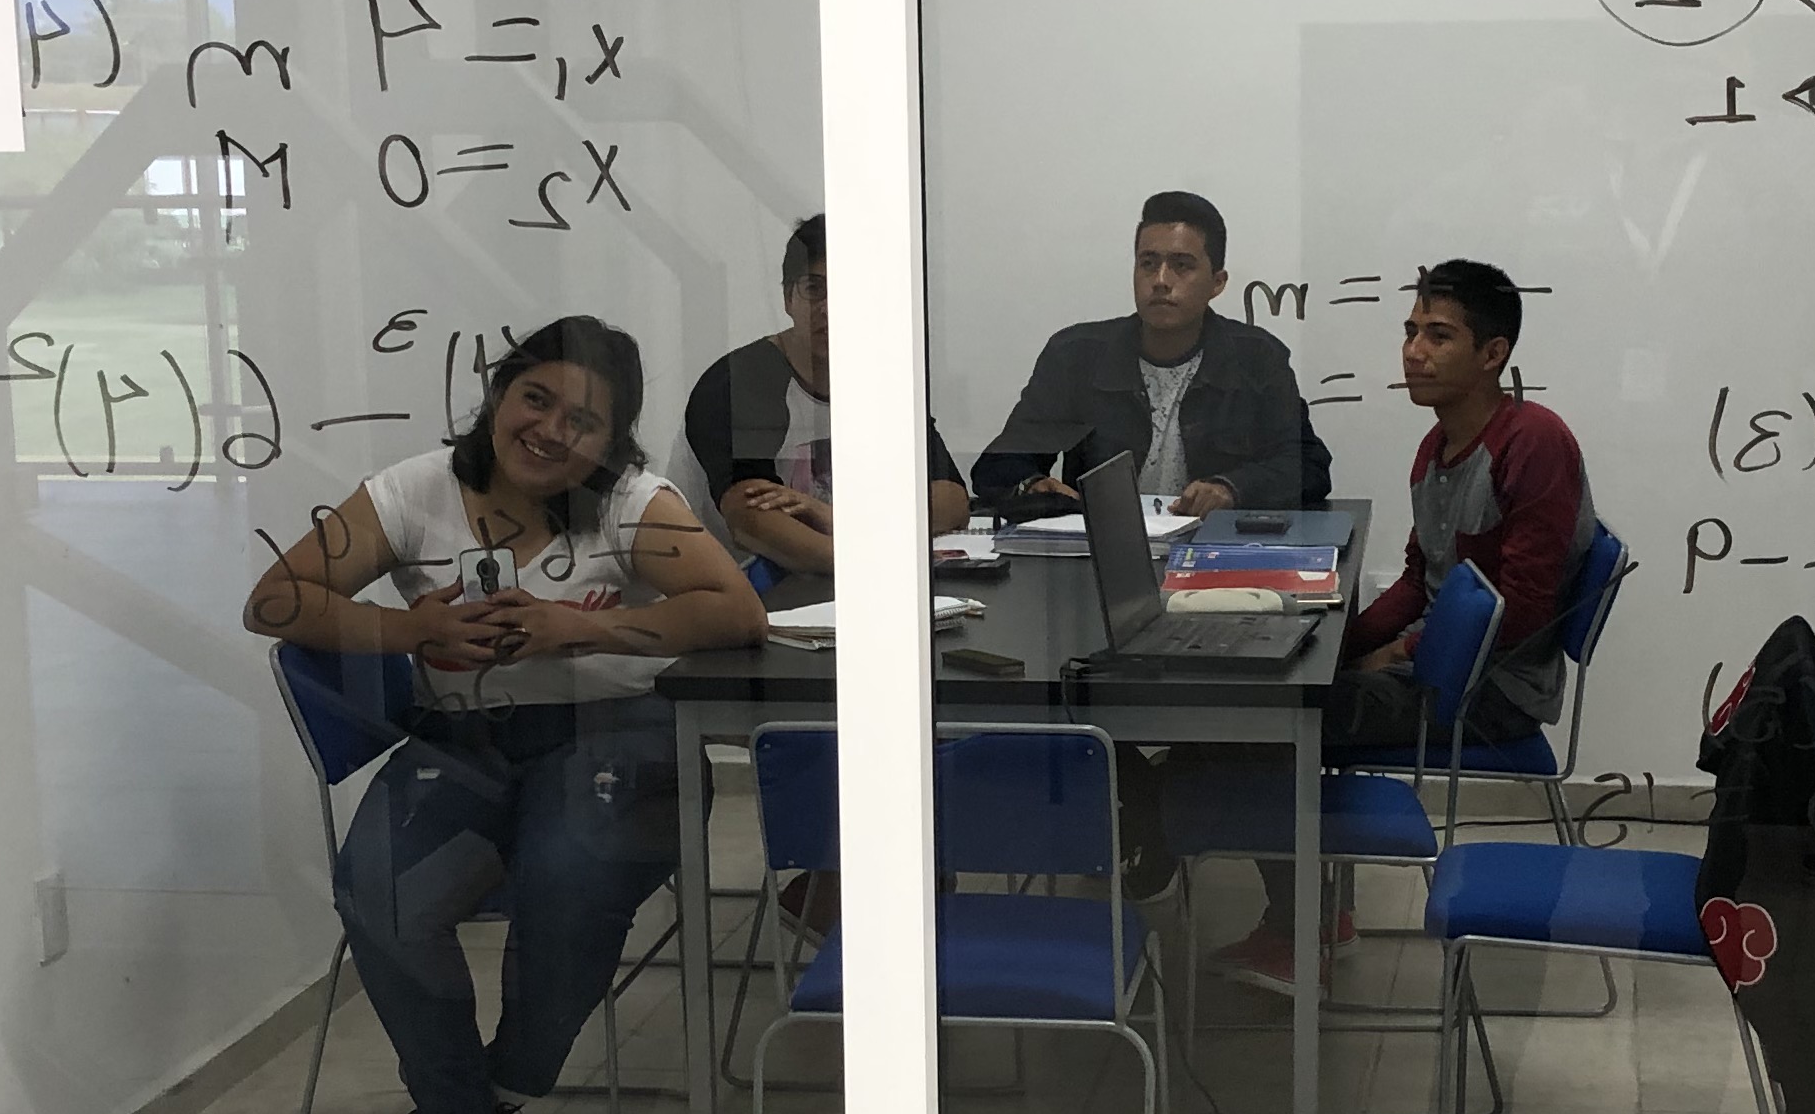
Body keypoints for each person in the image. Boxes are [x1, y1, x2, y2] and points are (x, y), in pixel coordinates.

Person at [245, 317, 767, 1114]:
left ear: (613, 441)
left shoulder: (631, 503)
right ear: (497, 397)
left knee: (568, 873)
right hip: (465, 743)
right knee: (381, 893)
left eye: (583, 422)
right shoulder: (414, 490)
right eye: (536, 399)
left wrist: (583, 628)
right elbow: (275, 600)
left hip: (615, 734)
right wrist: (409, 628)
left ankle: (500, 1090)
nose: (551, 431)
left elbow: (735, 612)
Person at [1215, 256, 1600, 993]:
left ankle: (1301, 932)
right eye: (1411, 330)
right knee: (1285, 684)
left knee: (1271, 718)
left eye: (1439, 336)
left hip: (1489, 693)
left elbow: (1522, 612)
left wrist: (1399, 651)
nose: (1414, 351)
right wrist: (1334, 641)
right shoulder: (1437, 446)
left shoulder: (1533, 442)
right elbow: (1421, 580)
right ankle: (1318, 916)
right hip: (1438, 668)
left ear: (1493, 354)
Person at [967, 189, 1328, 516]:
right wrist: (1031, 484)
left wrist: (1231, 489)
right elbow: (996, 467)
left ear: (1217, 283)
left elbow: (1307, 467)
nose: (1161, 280)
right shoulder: (1076, 356)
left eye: (1182, 265)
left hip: (1212, 548)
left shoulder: (1256, 358)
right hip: (1103, 550)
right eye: (1148, 263)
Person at [682, 208, 972, 580]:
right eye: (814, 289)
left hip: (830, 578)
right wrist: (872, 560)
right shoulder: (740, 381)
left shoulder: (884, 381)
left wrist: (842, 521)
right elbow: (751, 521)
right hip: (739, 587)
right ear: (788, 298)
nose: (830, 308)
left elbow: (951, 500)